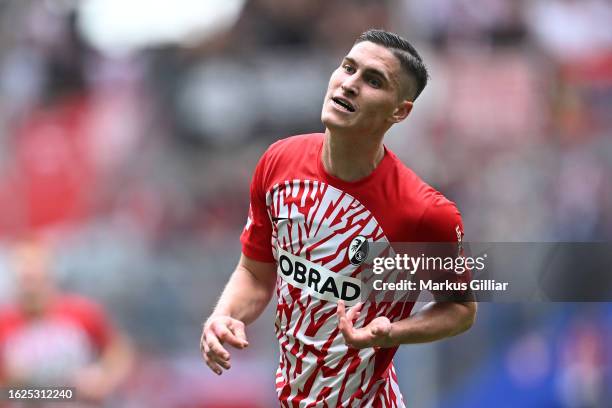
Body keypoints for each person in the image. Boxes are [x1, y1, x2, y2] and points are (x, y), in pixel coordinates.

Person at [201, 29, 477, 407]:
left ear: (400, 110)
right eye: (348, 68)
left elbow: (460, 309)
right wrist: (224, 315)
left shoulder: (425, 214)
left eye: (373, 80)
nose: (349, 84)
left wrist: (392, 332)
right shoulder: (279, 163)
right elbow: (255, 273)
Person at [0, 240, 134, 406]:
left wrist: (104, 379)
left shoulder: (81, 312)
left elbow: (118, 350)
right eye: (25, 280)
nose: (31, 288)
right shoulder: (4, 325)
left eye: (36, 278)